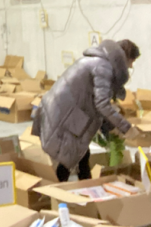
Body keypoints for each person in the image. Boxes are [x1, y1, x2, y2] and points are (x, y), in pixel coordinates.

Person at [35, 39, 142, 182]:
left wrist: (111, 127)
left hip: (66, 112)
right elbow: (102, 104)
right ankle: (60, 191)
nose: (130, 66)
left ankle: (82, 188)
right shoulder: (103, 67)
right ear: (124, 57)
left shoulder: (97, 61)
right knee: (72, 157)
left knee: (80, 156)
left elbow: (95, 105)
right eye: (131, 62)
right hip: (65, 114)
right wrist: (126, 128)